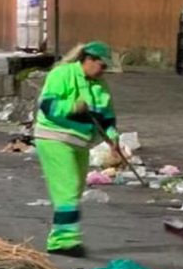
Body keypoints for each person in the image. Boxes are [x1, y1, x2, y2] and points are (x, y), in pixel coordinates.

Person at [34, 42, 120, 257]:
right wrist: (73, 108)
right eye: (101, 65)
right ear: (88, 60)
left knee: (75, 189)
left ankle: (62, 237)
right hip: (54, 137)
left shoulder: (100, 86)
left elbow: (106, 118)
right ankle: (63, 241)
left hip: (80, 142)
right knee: (67, 187)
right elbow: (48, 107)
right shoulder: (62, 74)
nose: (103, 71)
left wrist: (112, 139)